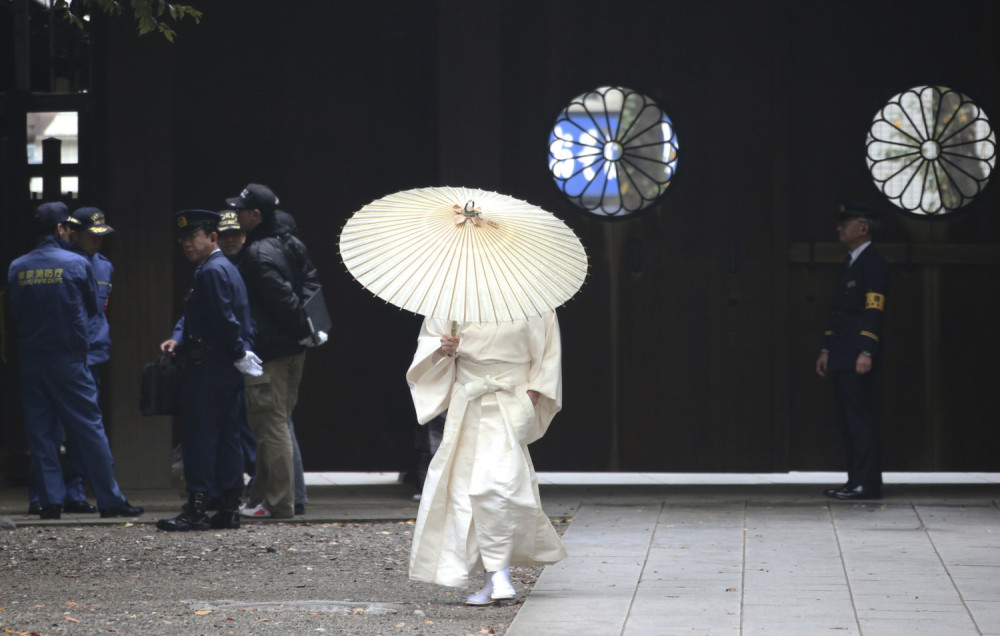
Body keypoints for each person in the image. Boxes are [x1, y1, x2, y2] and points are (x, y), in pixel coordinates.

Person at [406, 312, 567, 606]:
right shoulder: (452, 299)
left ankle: (498, 573)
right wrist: (444, 349)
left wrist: (533, 393)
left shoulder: (537, 302)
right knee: (466, 489)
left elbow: (549, 356)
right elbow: (428, 353)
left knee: (497, 485)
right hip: (468, 398)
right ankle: (493, 577)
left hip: (513, 398)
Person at [7, 201, 142, 520]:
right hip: (69, 358)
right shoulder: (76, 265)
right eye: (68, 227)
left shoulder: (17, 267)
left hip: (32, 359)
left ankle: (49, 502)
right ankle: (110, 499)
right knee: (89, 429)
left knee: (42, 433)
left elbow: (15, 313)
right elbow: (91, 312)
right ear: (60, 229)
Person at [156, 210, 262, 531]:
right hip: (224, 365)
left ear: (212, 237)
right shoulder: (222, 268)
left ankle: (198, 508)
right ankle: (229, 506)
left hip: (209, 366)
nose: (187, 245)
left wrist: (237, 350)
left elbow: (223, 319)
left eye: (194, 238)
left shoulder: (211, 272)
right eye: (184, 240)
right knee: (228, 436)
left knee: (200, 438)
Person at [227, 184, 320, 519]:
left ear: (256, 215)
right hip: (295, 347)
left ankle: (280, 502)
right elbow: (311, 283)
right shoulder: (290, 241)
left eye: (240, 210)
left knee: (271, 424)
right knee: (274, 423)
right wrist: (312, 329)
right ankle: (261, 499)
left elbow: (282, 300)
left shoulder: (256, 253)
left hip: (270, 350)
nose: (236, 215)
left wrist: (300, 326)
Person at [25, 205, 115, 516]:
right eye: (92, 236)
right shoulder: (70, 265)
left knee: (72, 432)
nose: (98, 242)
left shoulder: (103, 266)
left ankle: (70, 493)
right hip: (69, 356)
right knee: (60, 429)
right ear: (69, 232)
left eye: (101, 236)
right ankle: (46, 495)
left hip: (86, 354)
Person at [816, 200, 889, 501]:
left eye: (845, 224)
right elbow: (838, 312)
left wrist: (866, 351)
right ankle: (854, 480)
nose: (839, 228)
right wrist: (826, 348)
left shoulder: (872, 263)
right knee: (848, 419)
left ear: (863, 228)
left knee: (859, 418)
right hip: (842, 351)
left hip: (856, 352)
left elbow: (873, 310)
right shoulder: (850, 262)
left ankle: (866, 483)